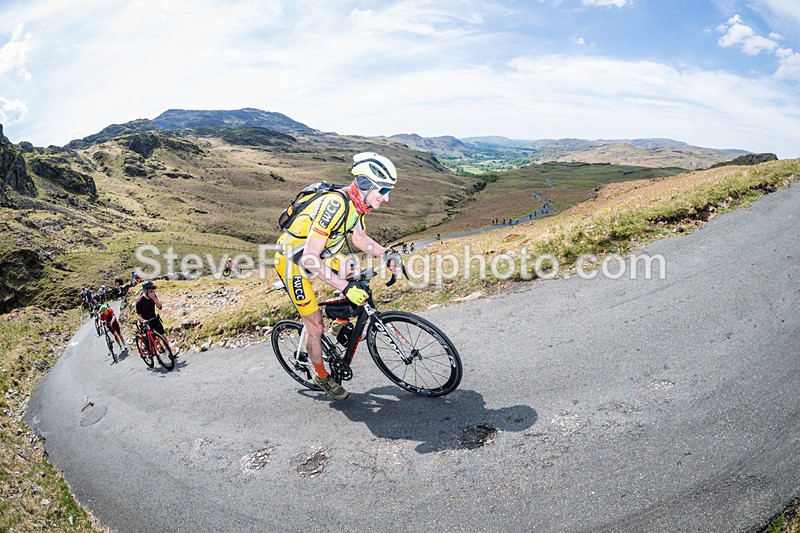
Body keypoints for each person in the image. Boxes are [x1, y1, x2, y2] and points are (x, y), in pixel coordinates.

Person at [274, 152, 401, 400]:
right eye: (383, 190)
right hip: (294, 260)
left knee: (352, 270)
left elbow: (360, 239)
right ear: (366, 184)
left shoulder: (357, 206)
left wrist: (387, 254)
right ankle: (321, 376)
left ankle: (341, 320)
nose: (387, 198)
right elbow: (310, 259)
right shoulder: (335, 204)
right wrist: (345, 288)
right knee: (316, 326)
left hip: (320, 254)